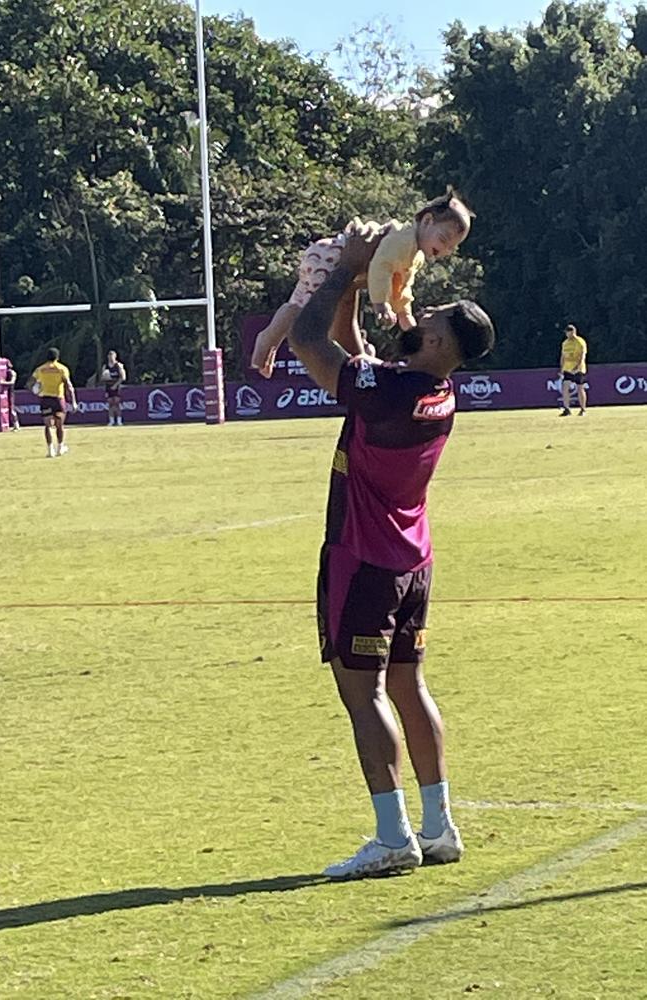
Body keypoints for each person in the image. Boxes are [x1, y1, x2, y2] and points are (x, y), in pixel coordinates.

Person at [288, 225, 495, 880]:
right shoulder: (431, 390)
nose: (416, 314)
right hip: (413, 561)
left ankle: (392, 836)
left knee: (362, 692)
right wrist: (355, 285)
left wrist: (341, 271)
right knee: (408, 684)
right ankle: (439, 828)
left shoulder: (396, 393)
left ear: (436, 342)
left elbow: (308, 343)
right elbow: (359, 358)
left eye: (426, 319)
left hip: (364, 557)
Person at [250, 187, 473, 378]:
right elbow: (381, 268)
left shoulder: (416, 255)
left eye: (451, 248)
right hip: (331, 258)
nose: (445, 249)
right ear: (426, 221)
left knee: (300, 305)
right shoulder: (404, 239)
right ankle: (268, 339)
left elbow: (402, 287)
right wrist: (380, 304)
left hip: (325, 258)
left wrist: (405, 316)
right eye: (443, 239)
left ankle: (270, 340)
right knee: (305, 313)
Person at [27, 348, 78, 457]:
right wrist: (73, 401)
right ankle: (60, 448)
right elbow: (69, 386)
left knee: (48, 425)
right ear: (57, 357)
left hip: (45, 399)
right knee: (60, 425)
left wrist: (35, 390)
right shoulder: (61, 369)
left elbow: (30, 383)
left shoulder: (40, 369)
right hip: (58, 399)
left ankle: (50, 450)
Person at [559, 323, 587, 416]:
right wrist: (562, 368)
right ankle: (567, 409)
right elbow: (563, 356)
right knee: (565, 387)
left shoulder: (580, 341)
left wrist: (577, 366)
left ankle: (583, 409)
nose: (567, 334)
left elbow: (582, 355)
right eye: (566, 332)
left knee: (580, 388)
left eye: (568, 332)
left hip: (578, 369)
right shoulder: (565, 343)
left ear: (573, 332)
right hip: (568, 368)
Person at [101, 350, 127, 426]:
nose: (110, 358)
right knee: (110, 404)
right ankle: (111, 420)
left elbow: (123, 377)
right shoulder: (105, 366)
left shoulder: (118, 365)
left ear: (115, 356)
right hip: (108, 387)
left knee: (117, 403)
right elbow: (102, 378)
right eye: (109, 356)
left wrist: (115, 385)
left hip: (117, 387)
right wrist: (105, 377)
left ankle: (119, 420)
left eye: (112, 356)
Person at [2, 358, 20, 431]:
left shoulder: (12, 373)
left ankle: (16, 425)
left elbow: (12, 382)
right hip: (5, 393)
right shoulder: (4, 373)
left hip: (10, 393)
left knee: (11, 410)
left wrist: (3, 383)